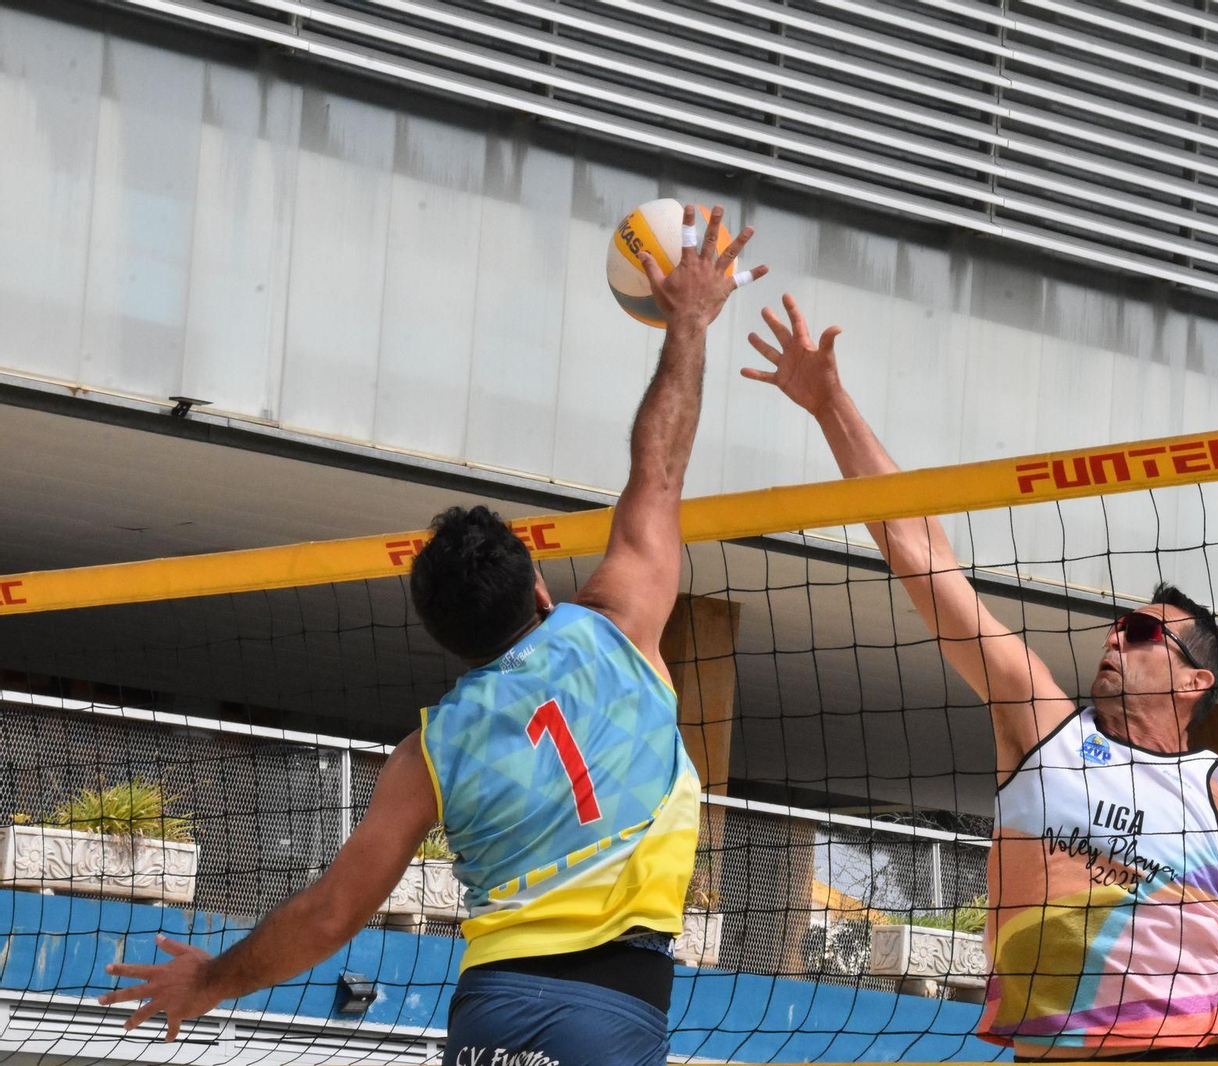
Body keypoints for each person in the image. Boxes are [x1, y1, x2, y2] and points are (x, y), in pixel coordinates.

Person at [99, 205, 766, 1066]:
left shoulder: (430, 752)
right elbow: (658, 468)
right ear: (538, 587)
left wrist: (210, 982)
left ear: (451, 642)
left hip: (493, 1009)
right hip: (609, 1012)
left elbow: (330, 915)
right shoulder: (616, 628)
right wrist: (689, 322)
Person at [742, 295, 1218, 1062]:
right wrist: (830, 404)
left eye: (1142, 633)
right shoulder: (1044, 729)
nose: (1114, 639)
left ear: (1194, 682)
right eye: (1117, 626)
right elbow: (922, 554)